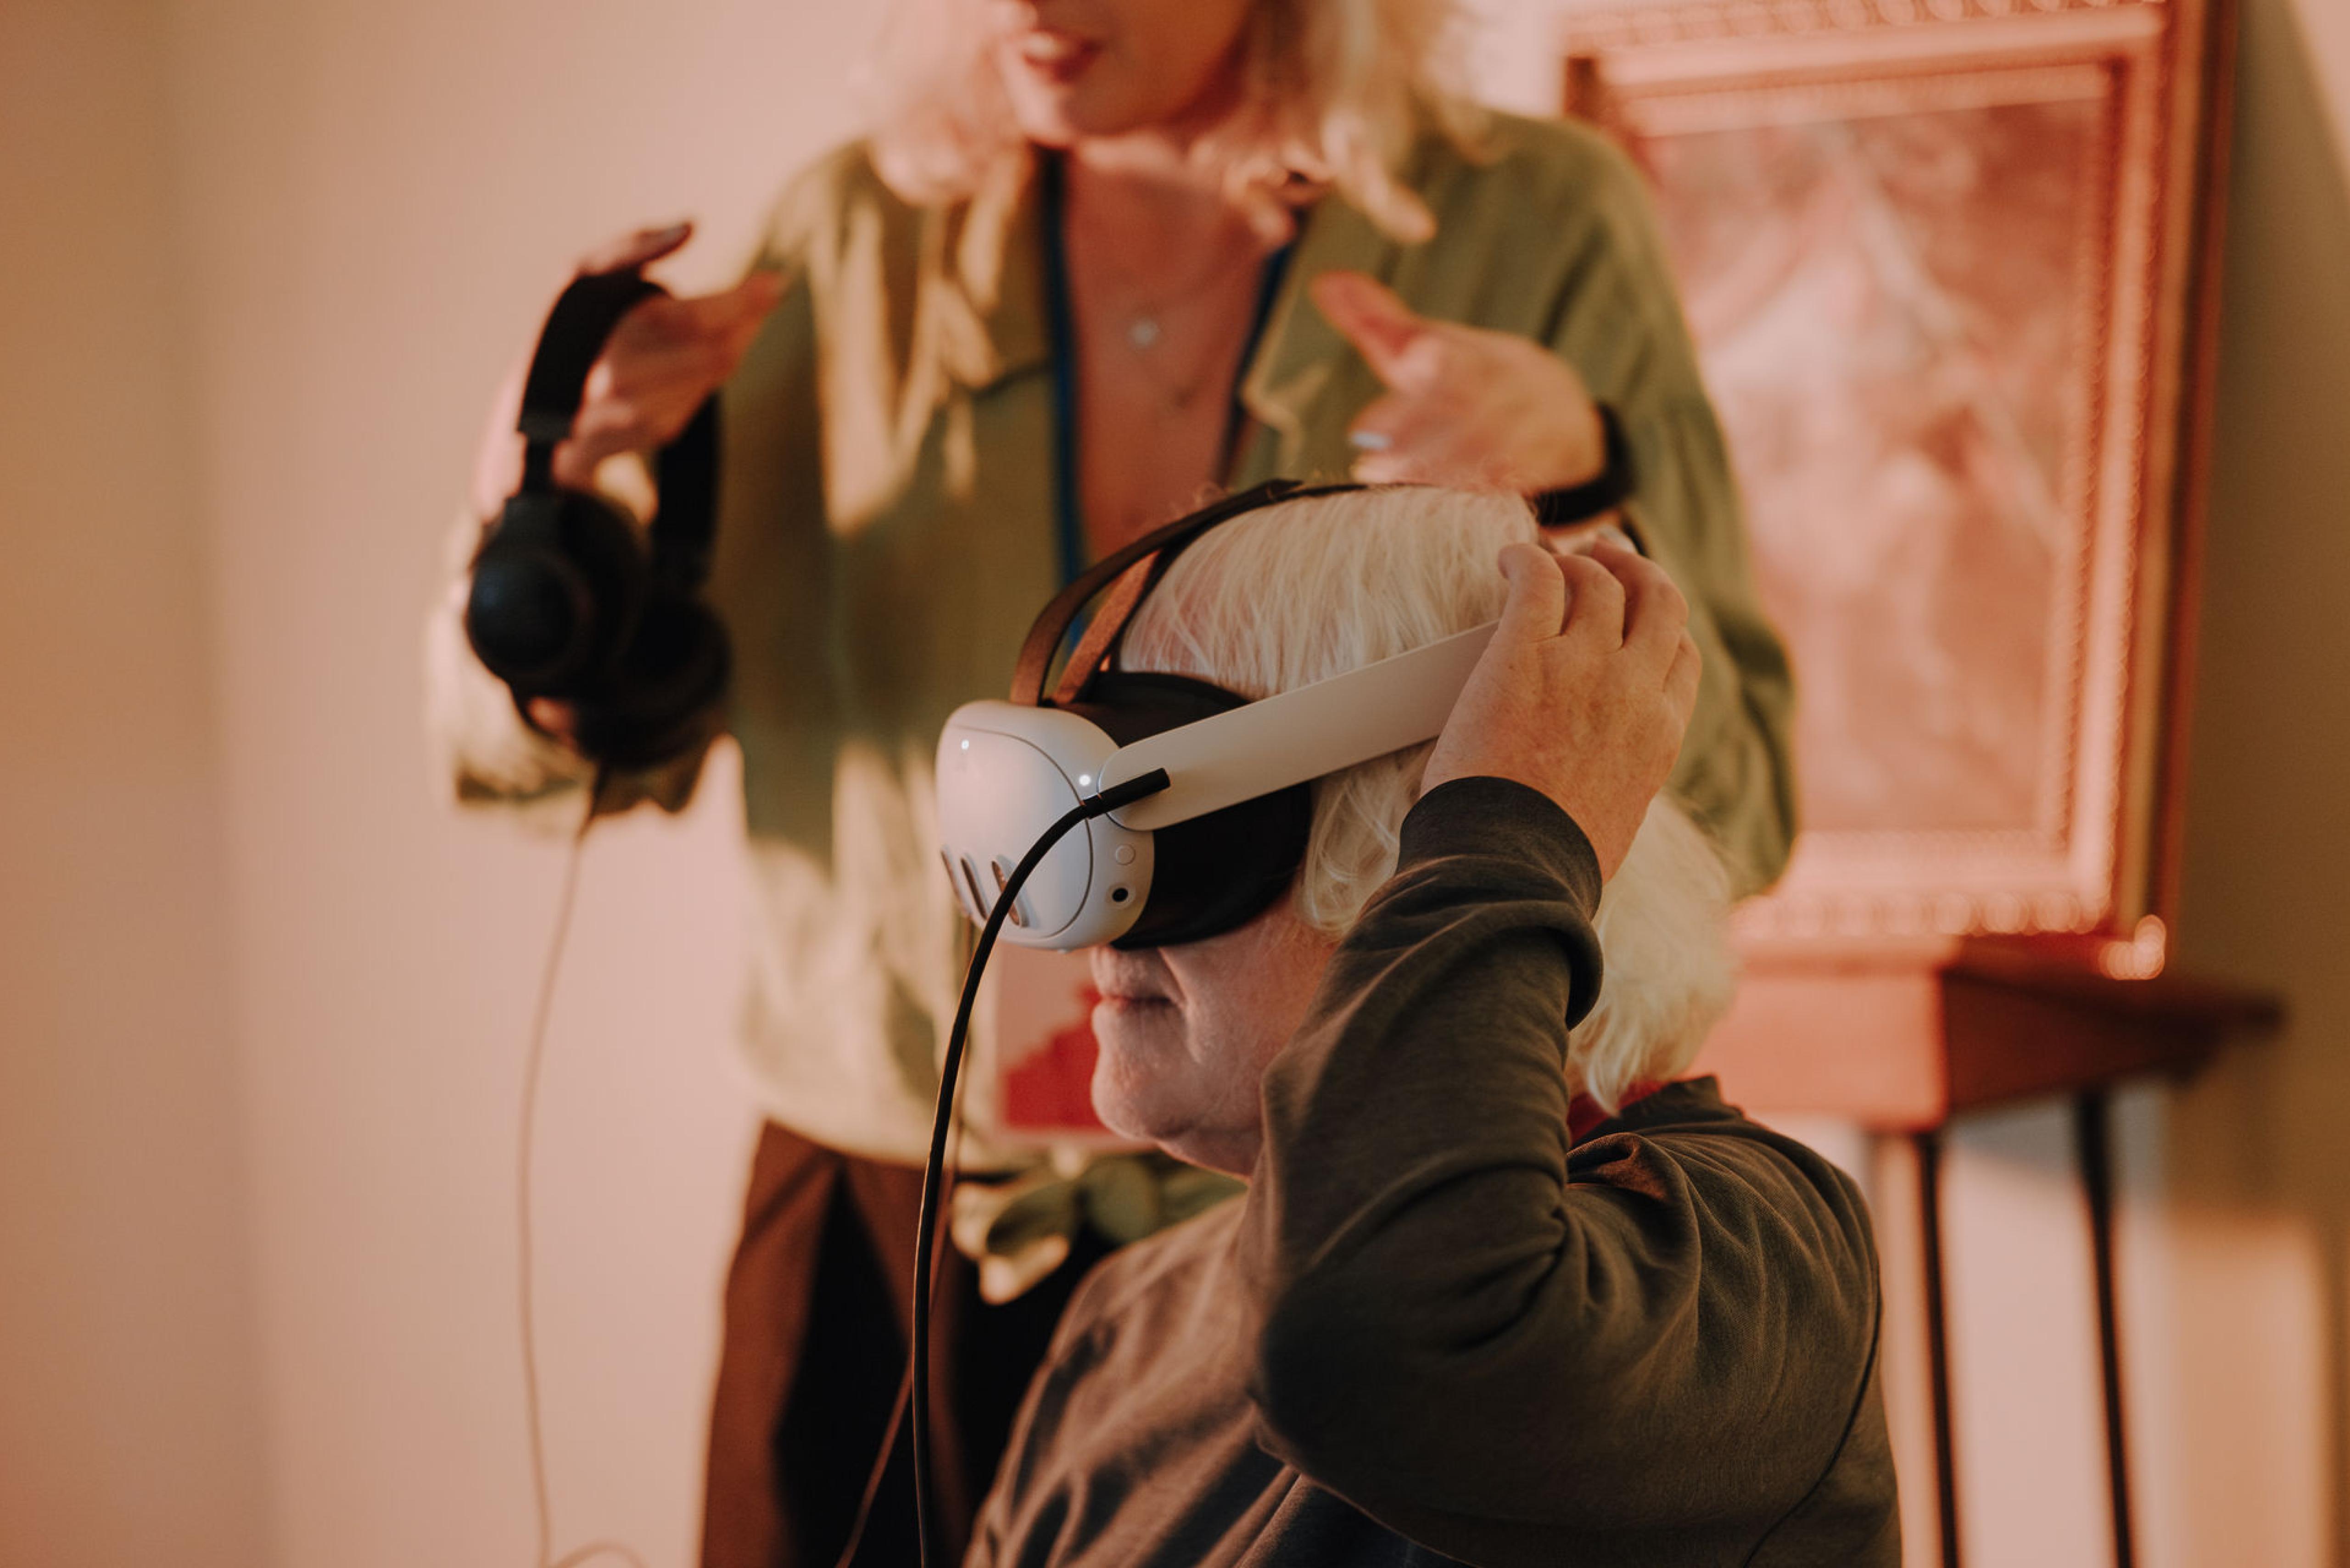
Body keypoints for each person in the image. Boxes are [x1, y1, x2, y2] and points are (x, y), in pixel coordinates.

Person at [426, 0, 1799, 1562]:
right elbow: (570, 745)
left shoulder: (1540, 218)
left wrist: (1587, 489)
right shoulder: (847, 235)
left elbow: (1737, 800)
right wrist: (540, 509)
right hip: (881, 1227)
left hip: (1344, 1210)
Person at [969, 484, 1895, 1568]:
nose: (1104, 912)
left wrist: (1510, 825)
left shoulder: (1756, 1270)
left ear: (1419, 824)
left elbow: (1385, 1340)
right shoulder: (1129, 1318)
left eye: (1176, 830)